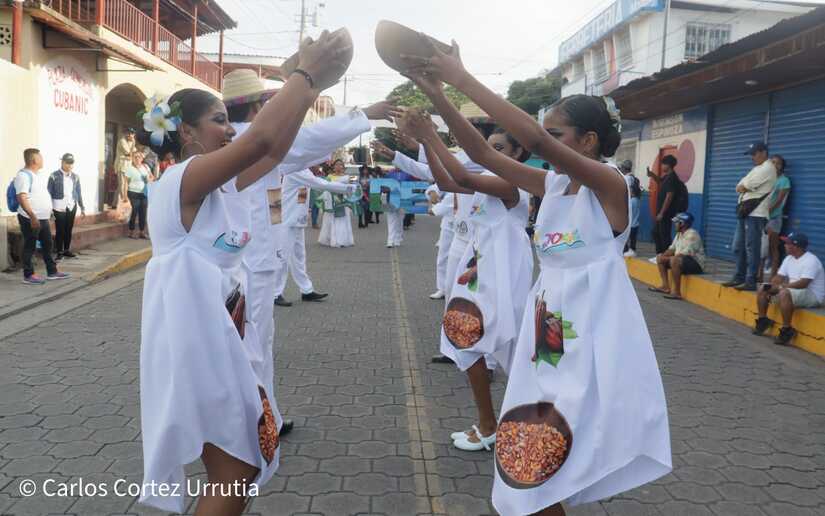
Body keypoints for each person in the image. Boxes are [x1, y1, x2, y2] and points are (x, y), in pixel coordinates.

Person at [403, 41, 671, 515]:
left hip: (590, 334)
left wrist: (462, 78)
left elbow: (535, 142)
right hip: (547, 328)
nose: (545, 141)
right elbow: (482, 154)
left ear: (588, 141)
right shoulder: (549, 185)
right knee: (530, 446)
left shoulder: (609, 185)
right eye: (547, 133)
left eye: (556, 133)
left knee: (554, 448)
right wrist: (438, 96)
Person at [137, 31, 351, 515]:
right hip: (196, 341)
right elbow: (261, 139)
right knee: (238, 466)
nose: (230, 129)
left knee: (244, 459)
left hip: (221, 337)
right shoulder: (181, 181)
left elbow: (272, 153)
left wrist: (309, 91)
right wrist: (304, 75)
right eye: (218, 120)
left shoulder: (217, 184)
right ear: (186, 132)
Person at [401, 103, 534, 453]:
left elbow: (459, 176)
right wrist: (427, 142)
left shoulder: (512, 184)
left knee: (497, 345)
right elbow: (445, 180)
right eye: (488, 147)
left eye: (499, 149)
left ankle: (499, 425)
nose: (491, 154)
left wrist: (429, 134)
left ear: (519, 152)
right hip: (479, 268)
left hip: (502, 270)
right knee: (467, 339)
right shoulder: (484, 185)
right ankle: (490, 423)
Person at [275, 168, 355, 304]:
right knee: (283, 257)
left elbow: (305, 193)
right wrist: (347, 188)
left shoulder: (304, 169)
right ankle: (275, 294)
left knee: (299, 257)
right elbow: (320, 184)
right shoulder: (295, 170)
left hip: (298, 219)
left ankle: (306, 290)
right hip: (287, 220)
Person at [723, 142, 777, 291]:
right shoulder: (757, 168)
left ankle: (750, 280)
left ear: (763, 153)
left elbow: (745, 186)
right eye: (751, 154)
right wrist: (743, 186)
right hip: (746, 212)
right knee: (737, 247)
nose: (752, 157)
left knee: (752, 247)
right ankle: (739, 276)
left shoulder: (767, 168)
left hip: (756, 214)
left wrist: (744, 186)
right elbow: (738, 186)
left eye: (754, 154)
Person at [754, 232, 824, 346]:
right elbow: (779, 277)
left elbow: (803, 283)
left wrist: (781, 287)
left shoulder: (811, 261)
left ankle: (787, 329)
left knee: (784, 293)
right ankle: (763, 321)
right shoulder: (789, 258)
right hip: (794, 291)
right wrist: (772, 286)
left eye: (787, 243)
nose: (784, 245)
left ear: (796, 247)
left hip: (812, 295)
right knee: (763, 288)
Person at [14, 148, 71, 284]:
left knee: (47, 244)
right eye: (40, 157)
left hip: (42, 218)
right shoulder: (23, 176)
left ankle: (52, 272)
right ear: (34, 160)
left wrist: (48, 212)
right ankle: (28, 275)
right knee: (30, 246)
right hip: (30, 218)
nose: (42, 159)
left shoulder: (36, 175)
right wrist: (32, 216)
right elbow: (21, 197)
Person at [651, 212, 705, 300]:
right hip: (681, 260)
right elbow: (672, 249)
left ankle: (677, 292)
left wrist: (669, 258)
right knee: (660, 258)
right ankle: (665, 286)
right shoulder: (679, 234)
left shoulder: (692, 235)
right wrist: (663, 257)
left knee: (674, 260)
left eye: (676, 222)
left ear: (682, 224)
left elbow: (684, 254)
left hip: (695, 264)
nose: (674, 225)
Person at [48, 153, 85, 260]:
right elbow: (49, 193)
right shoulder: (53, 176)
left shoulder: (75, 177)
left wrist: (82, 207)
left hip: (72, 205)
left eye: (71, 163)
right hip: (58, 206)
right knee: (60, 229)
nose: (69, 166)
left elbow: (78, 192)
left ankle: (67, 250)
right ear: (62, 162)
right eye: (67, 163)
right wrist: (49, 209)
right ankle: (59, 251)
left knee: (69, 229)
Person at [318, 160, 356, 248]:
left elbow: (352, 189)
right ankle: (328, 239)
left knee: (342, 220)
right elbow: (325, 188)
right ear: (333, 167)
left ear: (343, 167)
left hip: (343, 202)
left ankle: (341, 240)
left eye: (340, 165)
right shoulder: (329, 177)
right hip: (331, 202)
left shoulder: (348, 177)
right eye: (336, 165)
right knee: (330, 220)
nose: (338, 166)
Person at [426, 183, 454, 300]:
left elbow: (433, 211)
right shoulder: (452, 178)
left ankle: (454, 289)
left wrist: (431, 207)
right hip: (449, 225)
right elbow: (436, 186)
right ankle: (442, 288)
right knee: (443, 257)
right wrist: (432, 192)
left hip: (468, 227)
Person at [649, 155, 681, 256]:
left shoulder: (672, 178)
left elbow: (669, 196)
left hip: (666, 212)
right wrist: (652, 175)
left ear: (668, 165)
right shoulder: (667, 176)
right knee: (656, 233)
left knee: (664, 235)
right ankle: (660, 255)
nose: (662, 166)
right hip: (661, 211)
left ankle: (666, 257)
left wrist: (662, 212)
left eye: (663, 164)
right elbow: (660, 181)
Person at [765, 154, 790, 278]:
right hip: (763, 217)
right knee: (763, 248)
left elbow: (779, 201)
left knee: (773, 247)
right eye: (773, 162)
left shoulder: (784, 181)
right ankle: (761, 273)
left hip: (773, 218)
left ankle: (773, 276)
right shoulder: (768, 179)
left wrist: (766, 212)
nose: (775, 165)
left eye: (778, 163)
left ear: (782, 166)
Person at [122, 151, 152, 239]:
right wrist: (125, 195)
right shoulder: (129, 169)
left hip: (144, 193)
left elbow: (151, 177)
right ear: (133, 159)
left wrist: (148, 179)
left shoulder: (145, 167)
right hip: (133, 193)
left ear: (142, 159)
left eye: (139, 157)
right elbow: (126, 183)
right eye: (135, 157)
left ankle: (142, 232)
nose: (137, 158)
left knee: (143, 213)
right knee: (134, 212)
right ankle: (131, 232)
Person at [620, 160, 641, 257]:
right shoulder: (636, 200)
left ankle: (628, 251)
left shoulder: (627, 178)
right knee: (632, 239)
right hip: (635, 224)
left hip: (631, 224)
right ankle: (632, 250)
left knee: (625, 238)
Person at [114, 127, 136, 208]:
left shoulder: (131, 141)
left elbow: (134, 153)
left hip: (128, 167)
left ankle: (114, 204)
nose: (130, 135)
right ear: (125, 133)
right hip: (122, 165)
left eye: (132, 133)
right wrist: (133, 144)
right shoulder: (122, 141)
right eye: (128, 133)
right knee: (122, 185)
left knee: (122, 185)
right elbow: (129, 153)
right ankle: (123, 203)